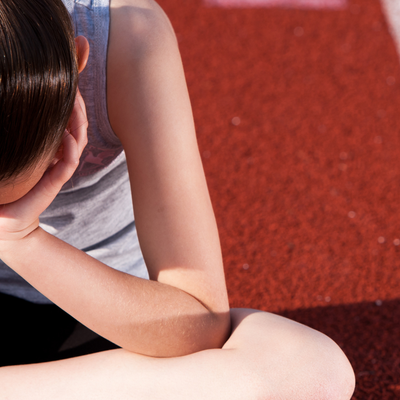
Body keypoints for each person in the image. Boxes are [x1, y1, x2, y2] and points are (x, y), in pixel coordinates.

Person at [0, 0, 355, 398]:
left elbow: (200, 322)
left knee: (310, 371)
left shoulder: (127, 40)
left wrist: (21, 239)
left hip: (112, 310)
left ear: (78, 66)